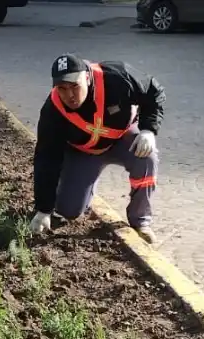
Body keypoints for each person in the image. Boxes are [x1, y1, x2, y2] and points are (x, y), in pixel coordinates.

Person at [29, 53, 165, 244]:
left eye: (75, 86)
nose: (69, 95)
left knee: (146, 157)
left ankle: (140, 221)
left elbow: (153, 92)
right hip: (85, 152)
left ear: (86, 77)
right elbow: (46, 158)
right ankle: (84, 187)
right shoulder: (52, 111)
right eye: (62, 88)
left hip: (122, 139)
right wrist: (43, 209)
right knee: (68, 211)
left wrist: (148, 130)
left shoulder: (117, 77)